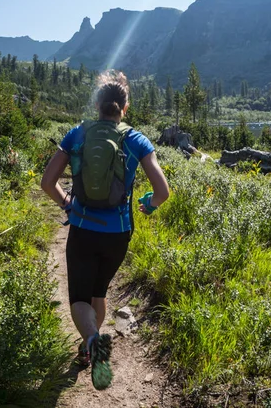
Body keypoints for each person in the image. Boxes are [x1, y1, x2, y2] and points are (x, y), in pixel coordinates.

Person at [41, 69, 170, 390]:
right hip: (118, 235)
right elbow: (163, 191)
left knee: (79, 297)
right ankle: (90, 348)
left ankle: (93, 340)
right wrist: (149, 205)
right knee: (98, 291)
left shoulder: (76, 134)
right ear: (124, 108)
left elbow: (47, 182)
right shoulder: (137, 139)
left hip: (83, 229)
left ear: (97, 105)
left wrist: (67, 204)